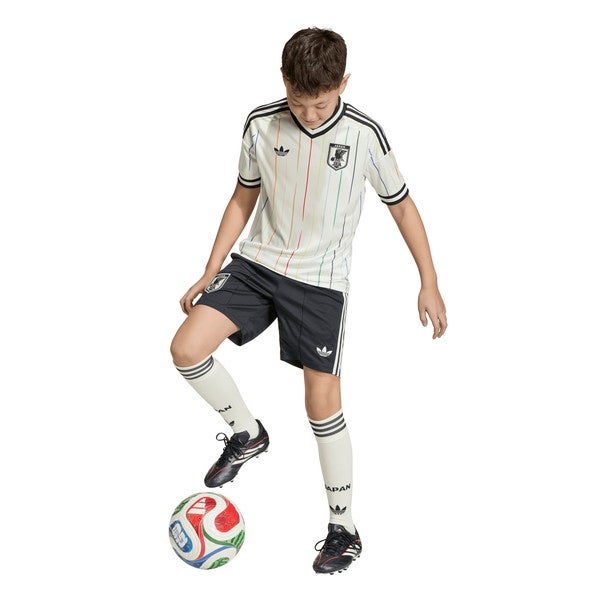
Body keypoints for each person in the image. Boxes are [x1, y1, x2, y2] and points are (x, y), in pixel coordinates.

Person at [170, 27, 447, 574]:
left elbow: (402, 205)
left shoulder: (365, 135)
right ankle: (247, 434)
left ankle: (343, 529)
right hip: (258, 264)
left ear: (343, 83)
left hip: (320, 282)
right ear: (284, 82)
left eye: (321, 103)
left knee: (321, 406)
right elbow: (243, 195)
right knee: (186, 349)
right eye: (300, 102)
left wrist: (429, 280)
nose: (310, 114)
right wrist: (211, 267)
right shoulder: (260, 122)